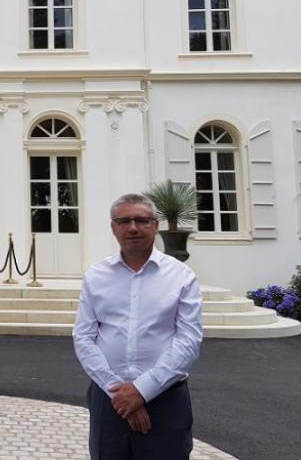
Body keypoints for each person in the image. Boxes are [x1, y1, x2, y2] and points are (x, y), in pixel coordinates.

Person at [72, 193, 203, 460]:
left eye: (142, 220)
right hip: (109, 399)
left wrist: (142, 391)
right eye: (124, 221)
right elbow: (84, 337)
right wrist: (120, 392)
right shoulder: (96, 276)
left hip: (165, 399)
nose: (133, 228)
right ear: (113, 228)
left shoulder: (181, 277)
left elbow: (188, 341)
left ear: (155, 225)